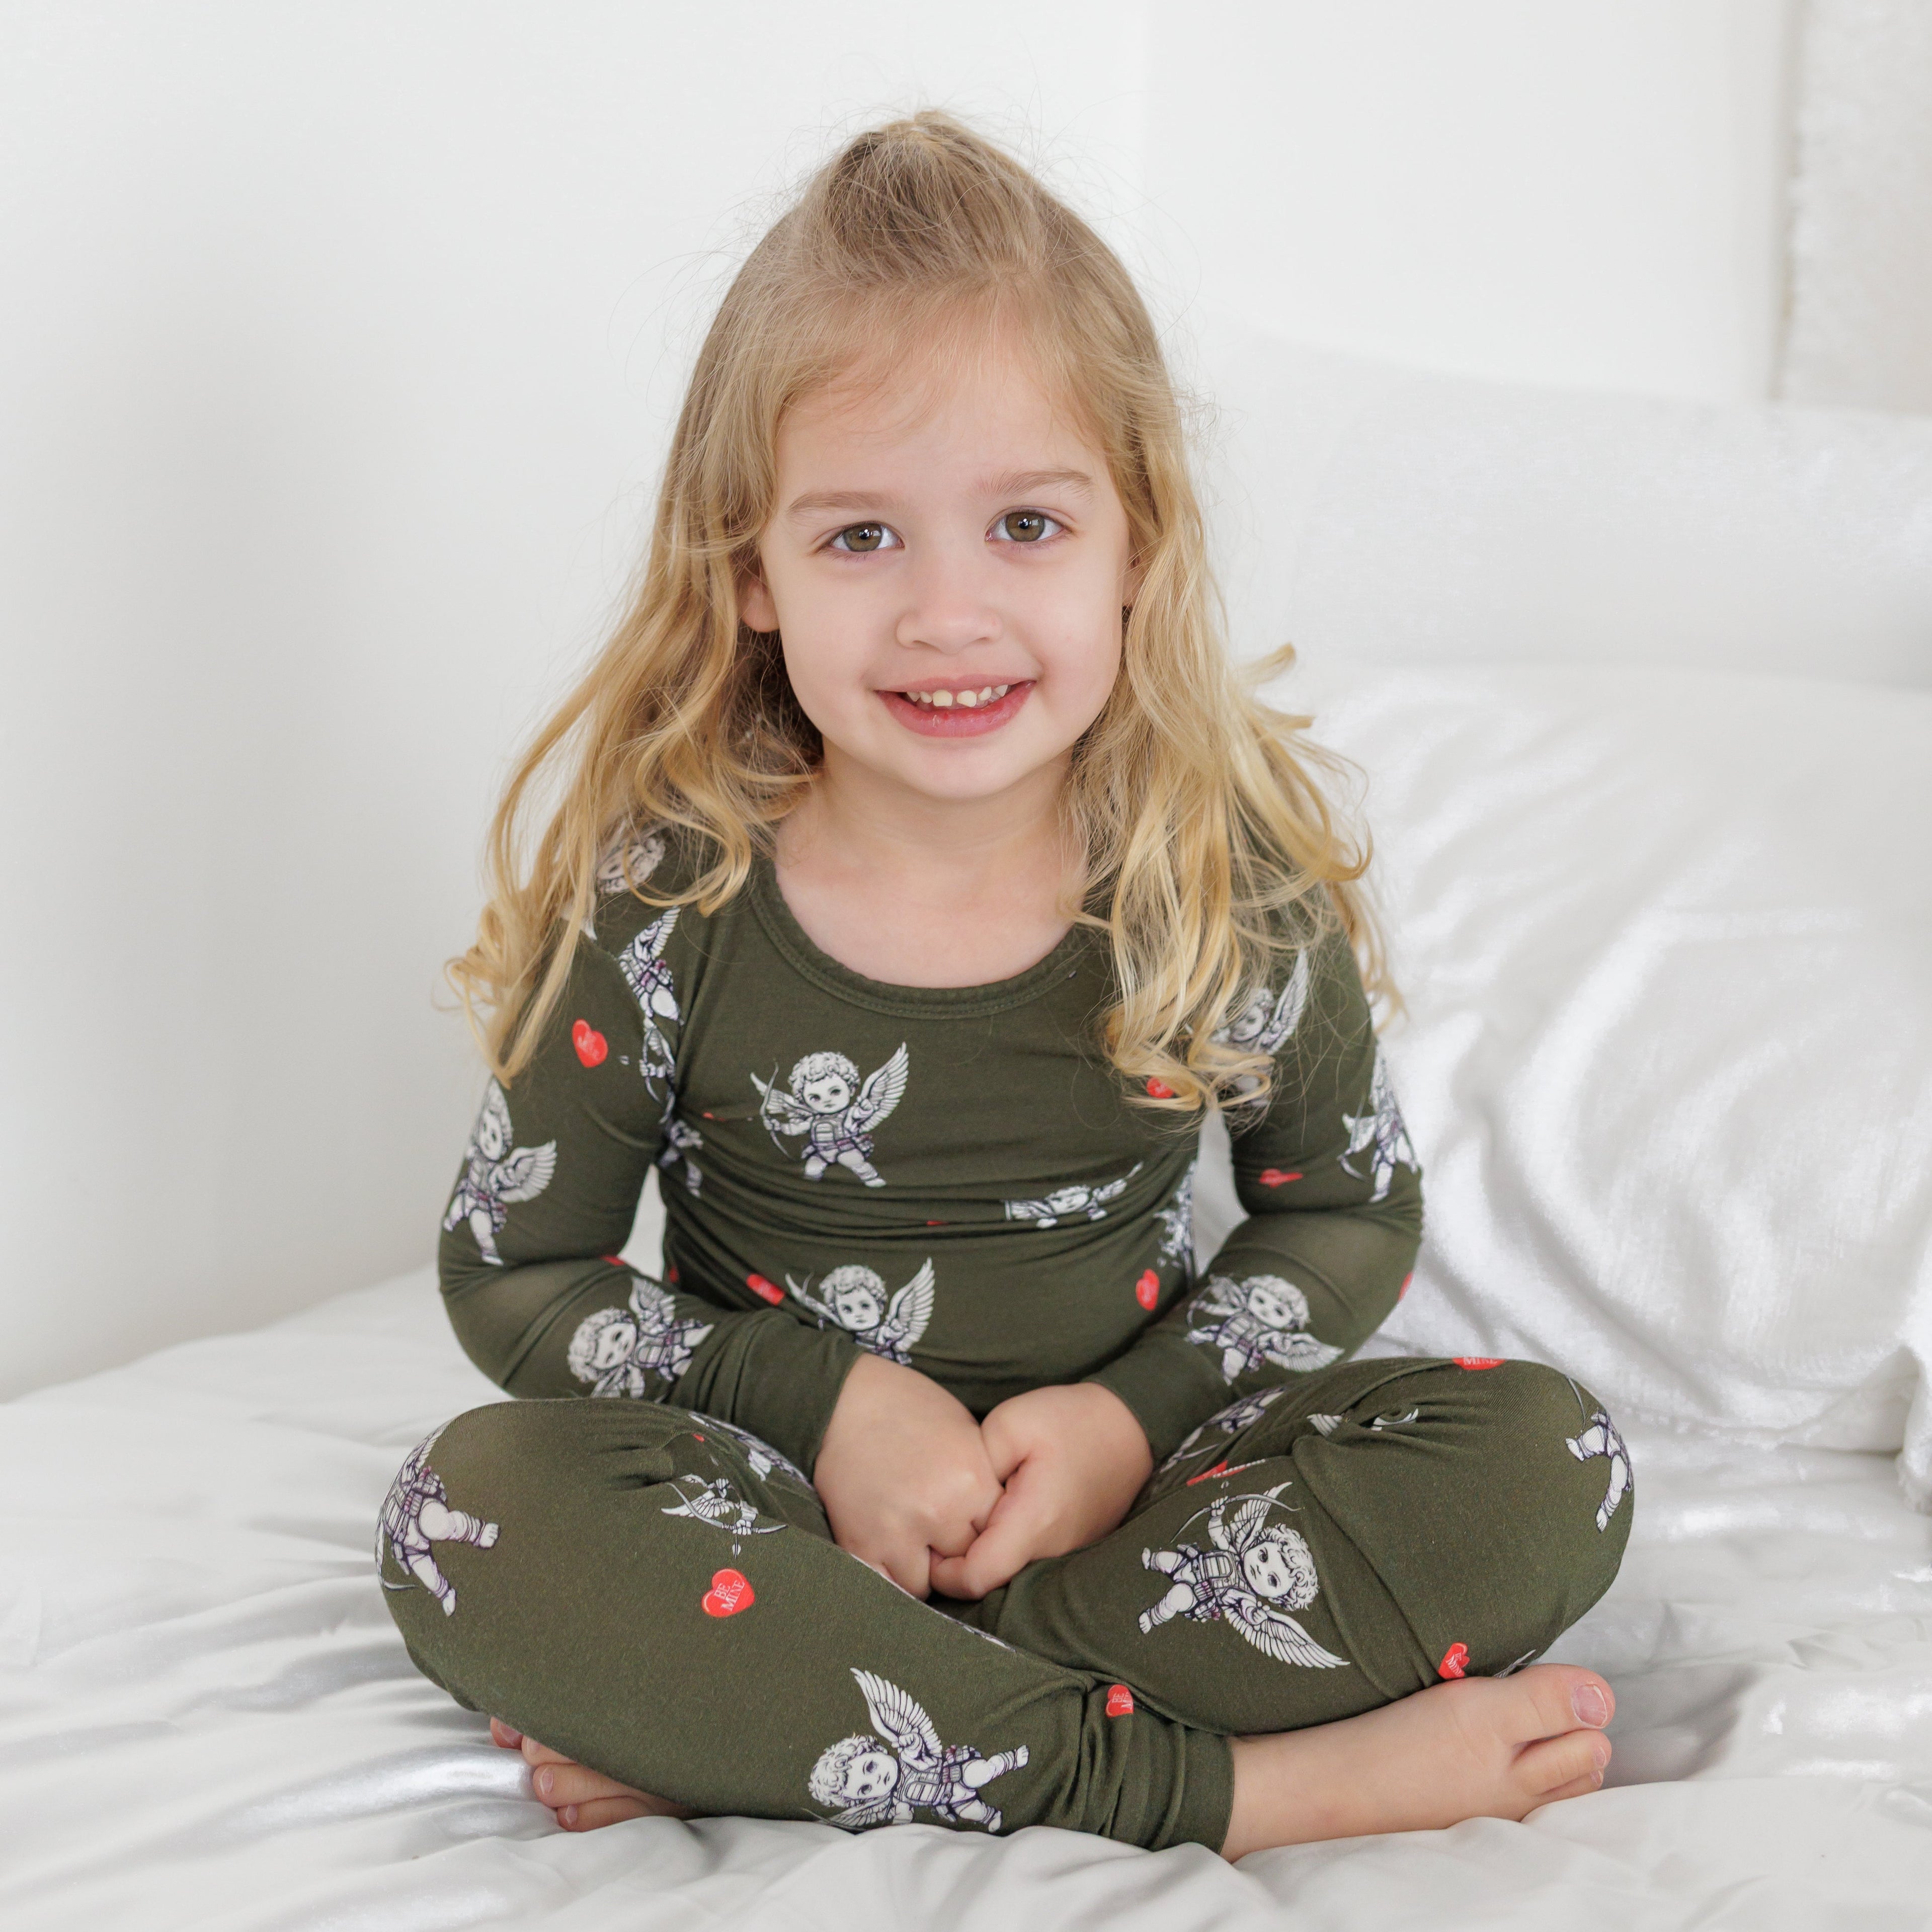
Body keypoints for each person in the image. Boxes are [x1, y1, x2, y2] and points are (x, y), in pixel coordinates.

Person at [380, 110, 1632, 1860]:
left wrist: (1128, 1427)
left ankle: (803, 1721)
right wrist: (826, 1407)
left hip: (1137, 1516)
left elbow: (1342, 1216)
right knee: (470, 1512)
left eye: (1028, 525)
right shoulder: (670, 897)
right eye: (861, 540)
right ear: (750, 569)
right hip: (783, 1522)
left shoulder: (1224, 877)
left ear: (1138, 542)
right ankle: (1238, 1789)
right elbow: (518, 1272)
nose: (947, 615)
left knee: (1546, 1462)